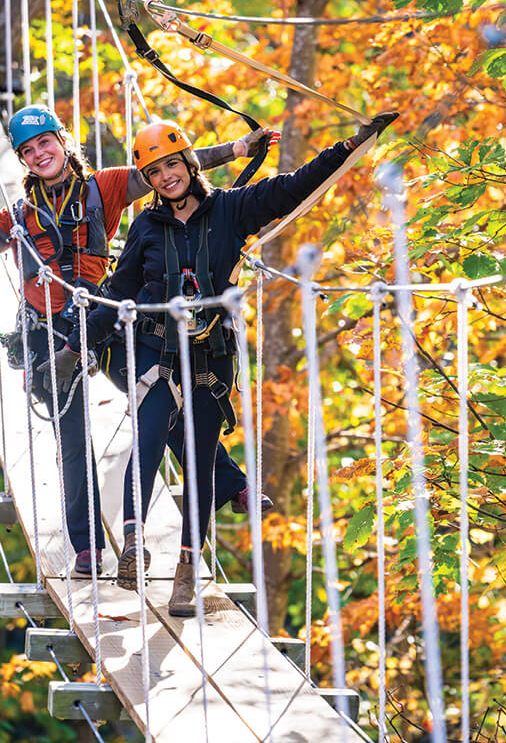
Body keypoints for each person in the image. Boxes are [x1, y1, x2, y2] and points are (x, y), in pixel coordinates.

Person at [0, 105, 275, 575]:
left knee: (161, 403)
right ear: (22, 161)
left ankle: (232, 485)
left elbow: (170, 165)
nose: (39, 154)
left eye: (45, 142)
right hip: (46, 332)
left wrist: (237, 149)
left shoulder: (104, 189)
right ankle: (88, 547)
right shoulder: (17, 218)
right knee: (72, 438)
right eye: (28, 150)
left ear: (63, 142)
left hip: (101, 320)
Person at [80, 112, 398, 614]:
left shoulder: (232, 209)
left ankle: (187, 571)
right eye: (155, 171)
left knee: (199, 459)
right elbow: (119, 290)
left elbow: (293, 187)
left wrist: (349, 146)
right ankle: (133, 544)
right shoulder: (145, 227)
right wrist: (76, 346)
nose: (166, 177)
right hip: (158, 352)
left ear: (189, 163)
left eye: (172, 164)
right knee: (148, 438)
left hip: (210, 356)